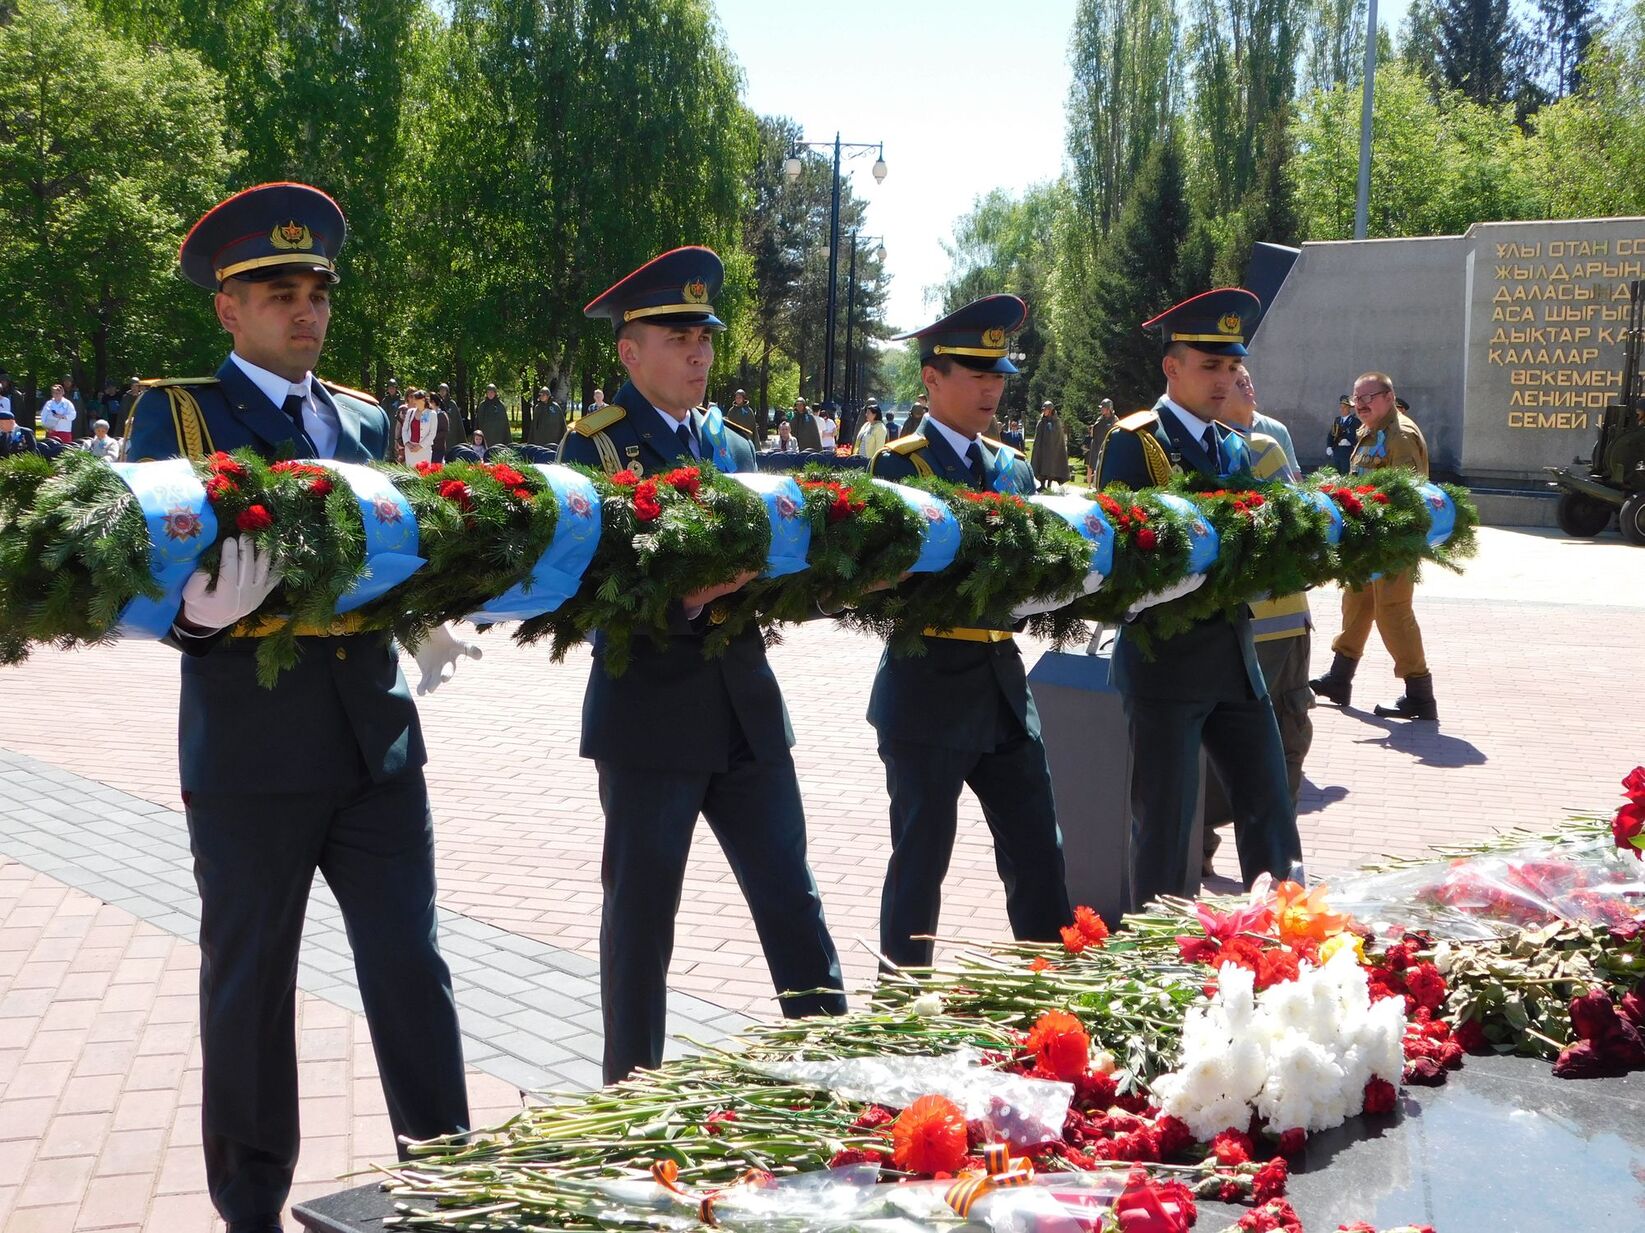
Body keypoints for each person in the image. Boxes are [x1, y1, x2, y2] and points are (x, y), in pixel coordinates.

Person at [123, 183, 476, 1232]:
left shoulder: (361, 416)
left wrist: (423, 614)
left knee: (412, 966)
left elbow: (396, 539)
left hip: (376, 738)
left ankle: (449, 1182)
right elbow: (127, 564)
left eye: (317, 289)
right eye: (279, 291)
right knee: (251, 983)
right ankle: (250, 1207)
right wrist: (188, 617)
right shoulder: (178, 412)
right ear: (228, 309)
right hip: (250, 749)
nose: (306, 310)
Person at [559, 246, 846, 1082]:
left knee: (791, 900)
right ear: (628, 352)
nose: (698, 353)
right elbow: (588, 593)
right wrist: (686, 595)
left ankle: (833, 1071)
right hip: (649, 714)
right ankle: (628, 1097)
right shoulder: (598, 451)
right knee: (643, 919)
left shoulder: (733, 444)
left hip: (746, 710)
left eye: (705, 336)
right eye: (677, 335)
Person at [868, 295, 1073, 967]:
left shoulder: (1010, 466)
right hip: (926, 686)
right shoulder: (901, 466)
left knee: (1040, 855)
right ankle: (898, 1010)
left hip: (1003, 687)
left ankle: (1049, 1002)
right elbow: (894, 574)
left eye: (999, 373)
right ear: (931, 377)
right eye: (976, 372)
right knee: (920, 865)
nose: (992, 386)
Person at [1094, 288, 1302, 908]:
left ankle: (1285, 940)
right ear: (1171, 366)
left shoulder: (1234, 445)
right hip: (1167, 661)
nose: (1224, 380)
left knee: (1270, 812)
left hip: (1237, 659)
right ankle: (1153, 968)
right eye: (1209, 366)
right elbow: (1125, 561)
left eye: (1232, 367)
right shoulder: (1139, 443)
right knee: (1165, 829)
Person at [1202, 365, 1312, 875]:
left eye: (1246, 378)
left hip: (1289, 621)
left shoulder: (1271, 438)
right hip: (1257, 626)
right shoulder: (1245, 451)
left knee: (1287, 735)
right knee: (1250, 749)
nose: (1245, 386)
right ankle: (1243, 859)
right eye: (1230, 379)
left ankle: (1268, 864)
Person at [1309, 372, 1437, 721]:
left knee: (1393, 612)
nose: (1361, 404)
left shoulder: (1401, 436)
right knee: (1357, 603)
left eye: (1369, 397)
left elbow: (1406, 495)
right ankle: (1339, 679)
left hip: (1393, 539)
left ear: (1389, 397)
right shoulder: (1368, 431)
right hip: (1366, 538)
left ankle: (1419, 694)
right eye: (1356, 398)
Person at [399, 388, 446, 467]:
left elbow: (432, 433)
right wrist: (407, 443)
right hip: (410, 449)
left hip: (424, 450)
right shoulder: (410, 412)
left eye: (416, 399)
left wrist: (420, 446)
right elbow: (404, 430)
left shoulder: (432, 414)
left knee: (423, 473)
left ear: (423, 400)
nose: (414, 401)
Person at [1030, 400, 1070, 491]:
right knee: (1041, 466)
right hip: (1042, 450)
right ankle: (1042, 485)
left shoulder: (1056, 422)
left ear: (1050, 410)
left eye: (1046, 410)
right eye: (1043, 410)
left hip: (1052, 451)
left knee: (1050, 468)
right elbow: (1038, 436)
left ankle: (1049, 485)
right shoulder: (1041, 422)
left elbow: (1058, 438)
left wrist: (1053, 447)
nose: (1044, 412)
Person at [1326, 395, 1358, 473]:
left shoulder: (1355, 421)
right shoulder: (1337, 420)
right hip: (1337, 451)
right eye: (1341, 407)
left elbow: (1358, 437)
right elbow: (1331, 434)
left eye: (1344, 407)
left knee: (1345, 473)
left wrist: (1350, 442)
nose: (1342, 409)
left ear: (1349, 408)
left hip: (1348, 452)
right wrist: (1329, 446)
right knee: (1335, 473)